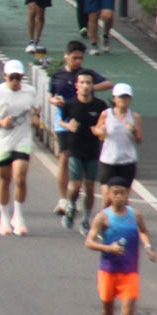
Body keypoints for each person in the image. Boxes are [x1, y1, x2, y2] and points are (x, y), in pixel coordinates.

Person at [85, 178, 157, 315]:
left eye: (122, 193)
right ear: (108, 194)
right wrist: (108, 248)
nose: (118, 196)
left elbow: (143, 232)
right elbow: (89, 242)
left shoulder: (135, 215)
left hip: (129, 272)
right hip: (108, 270)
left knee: (128, 311)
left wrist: (148, 247)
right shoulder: (103, 217)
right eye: (115, 193)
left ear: (128, 195)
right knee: (106, 311)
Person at [47, 41, 111, 218]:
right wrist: (53, 101)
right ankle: (63, 199)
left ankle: (77, 196)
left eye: (80, 58)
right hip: (64, 120)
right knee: (63, 157)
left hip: (85, 120)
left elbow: (108, 84)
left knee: (83, 162)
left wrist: (89, 87)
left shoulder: (85, 75)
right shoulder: (57, 74)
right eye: (74, 58)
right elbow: (50, 93)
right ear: (66, 56)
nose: (77, 61)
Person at [0, 59, 39, 236]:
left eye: (18, 77)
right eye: (12, 77)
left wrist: (36, 118)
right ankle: (4, 217)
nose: (15, 81)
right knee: (5, 179)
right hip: (2, 141)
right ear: (5, 76)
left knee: (20, 177)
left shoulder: (30, 91)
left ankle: (18, 217)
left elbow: (35, 110)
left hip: (23, 139)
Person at [60, 70, 109, 233]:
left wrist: (100, 129)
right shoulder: (70, 104)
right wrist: (69, 126)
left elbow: (106, 124)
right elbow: (61, 121)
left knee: (89, 186)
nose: (85, 86)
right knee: (75, 186)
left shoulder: (100, 106)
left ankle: (87, 219)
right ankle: (71, 206)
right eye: (82, 83)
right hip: (75, 149)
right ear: (76, 86)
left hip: (93, 150)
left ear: (92, 86)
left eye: (88, 83)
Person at [94, 84, 142, 202]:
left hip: (127, 161)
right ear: (114, 98)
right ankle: (104, 219)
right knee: (107, 197)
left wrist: (133, 130)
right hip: (108, 160)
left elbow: (139, 139)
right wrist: (101, 131)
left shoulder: (134, 117)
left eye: (126, 97)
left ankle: (121, 220)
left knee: (122, 199)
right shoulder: (106, 114)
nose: (123, 100)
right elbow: (98, 132)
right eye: (121, 97)